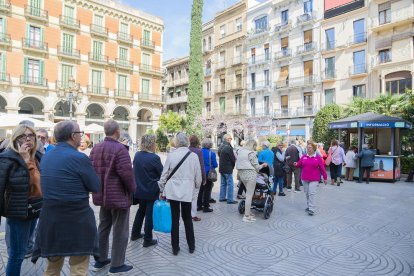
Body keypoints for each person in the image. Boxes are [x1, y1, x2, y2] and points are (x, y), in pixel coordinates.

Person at [32, 120, 100, 275]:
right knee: (79, 269)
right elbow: (95, 186)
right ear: (72, 136)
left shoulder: (46, 157)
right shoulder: (79, 158)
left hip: (51, 219)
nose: (81, 137)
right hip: (77, 219)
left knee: (52, 268)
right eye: (80, 134)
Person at [90, 120, 136, 274]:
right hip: (118, 197)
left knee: (103, 226)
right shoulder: (120, 149)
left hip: (102, 196)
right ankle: (117, 265)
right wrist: (133, 190)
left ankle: (100, 259)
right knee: (120, 230)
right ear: (117, 131)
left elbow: (91, 171)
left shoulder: (95, 148)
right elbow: (127, 175)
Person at [0, 124, 42, 276]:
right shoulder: (7, 158)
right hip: (18, 212)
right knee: (17, 255)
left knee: (24, 249)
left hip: (34, 209)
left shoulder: (36, 156)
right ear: (15, 139)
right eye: (23, 136)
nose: (28, 139)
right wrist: (25, 160)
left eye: (31, 136)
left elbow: (40, 182)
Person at [158, 132, 202, 255]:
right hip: (187, 191)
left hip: (173, 191)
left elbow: (164, 174)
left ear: (176, 142)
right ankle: (191, 245)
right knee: (187, 218)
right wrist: (196, 187)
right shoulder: (193, 156)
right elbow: (198, 176)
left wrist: (161, 188)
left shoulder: (171, 155)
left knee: (175, 218)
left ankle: (175, 247)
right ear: (186, 142)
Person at [131, 134, 163, 247]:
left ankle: (135, 233)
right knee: (149, 214)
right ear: (152, 144)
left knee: (141, 211)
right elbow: (161, 173)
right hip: (151, 190)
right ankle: (147, 239)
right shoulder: (154, 158)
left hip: (139, 189)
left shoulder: (137, 155)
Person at [235, 139, 267, 223]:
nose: (255, 148)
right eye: (255, 146)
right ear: (253, 145)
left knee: (248, 194)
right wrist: (263, 165)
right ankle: (246, 216)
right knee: (249, 195)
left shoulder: (241, 151)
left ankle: (248, 212)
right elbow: (257, 167)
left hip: (242, 175)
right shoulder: (251, 153)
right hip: (251, 175)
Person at [294, 142, 327, 216]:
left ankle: (311, 209)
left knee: (312, 193)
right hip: (305, 178)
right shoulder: (304, 156)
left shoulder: (317, 158)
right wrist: (296, 164)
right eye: (307, 147)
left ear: (314, 149)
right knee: (307, 193)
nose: (308, 149)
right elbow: (299, 164)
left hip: (314, 179)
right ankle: (309, 205)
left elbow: (322, 168)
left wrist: (325, 177)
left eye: (310, 148)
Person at [198, 138, 217, 212]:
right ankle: (206, 206)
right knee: (207, 190)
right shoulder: (212, 153)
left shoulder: (199, 152)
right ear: (210, 145)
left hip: (200, 173)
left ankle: (199, 205)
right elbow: (215, 165)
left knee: (200, 189)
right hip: (208, 173)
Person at [188, 135, 205, 221]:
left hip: (186, 176)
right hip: (194, 177)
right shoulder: (198, 151)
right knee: (194, 197)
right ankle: (193, 215)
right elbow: (201, 165)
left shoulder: (187, 150)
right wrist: (204, 178)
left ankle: (185, 213)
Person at [218, 134, 237, 204]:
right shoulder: (228, 147)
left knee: (223, 183)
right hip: (227, 168)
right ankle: (230, 199)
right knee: (230, 184)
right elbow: (233, 159)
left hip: (222, 168)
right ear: (227, 139)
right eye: (230, 138)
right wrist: (233, 166)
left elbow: (219, 155)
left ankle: (222, 197)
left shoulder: (221, 146)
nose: (231, 139)